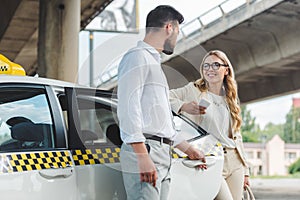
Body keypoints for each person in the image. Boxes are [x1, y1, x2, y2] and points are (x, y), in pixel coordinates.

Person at [117, 5, 206, 200]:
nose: (177, 39)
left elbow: (163, 124)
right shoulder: (136, 58)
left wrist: (189, 150)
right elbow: (127, 109)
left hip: (162, 153)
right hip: (146, 150)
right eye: (178, 32)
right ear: (169, 28)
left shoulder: (154, 64)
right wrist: (142, 156)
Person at [169, 50, 250, 200]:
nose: (210, 69)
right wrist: (184, 106)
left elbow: (237, 135)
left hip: (235, 160)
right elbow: (163, 96)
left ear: (226, 70)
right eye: (206, 66)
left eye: (215, 65)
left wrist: (246, 170)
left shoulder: (230, 97)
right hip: (211, 158)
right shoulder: (193, 89)